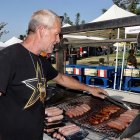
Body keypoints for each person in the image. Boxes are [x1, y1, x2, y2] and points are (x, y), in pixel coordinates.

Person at [0, 9, 107, 140]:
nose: (58, 40)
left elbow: (61, 78)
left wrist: (90, 89)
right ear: (41, 30)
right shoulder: (8, 57)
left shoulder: (40, 60)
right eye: (56, 34)